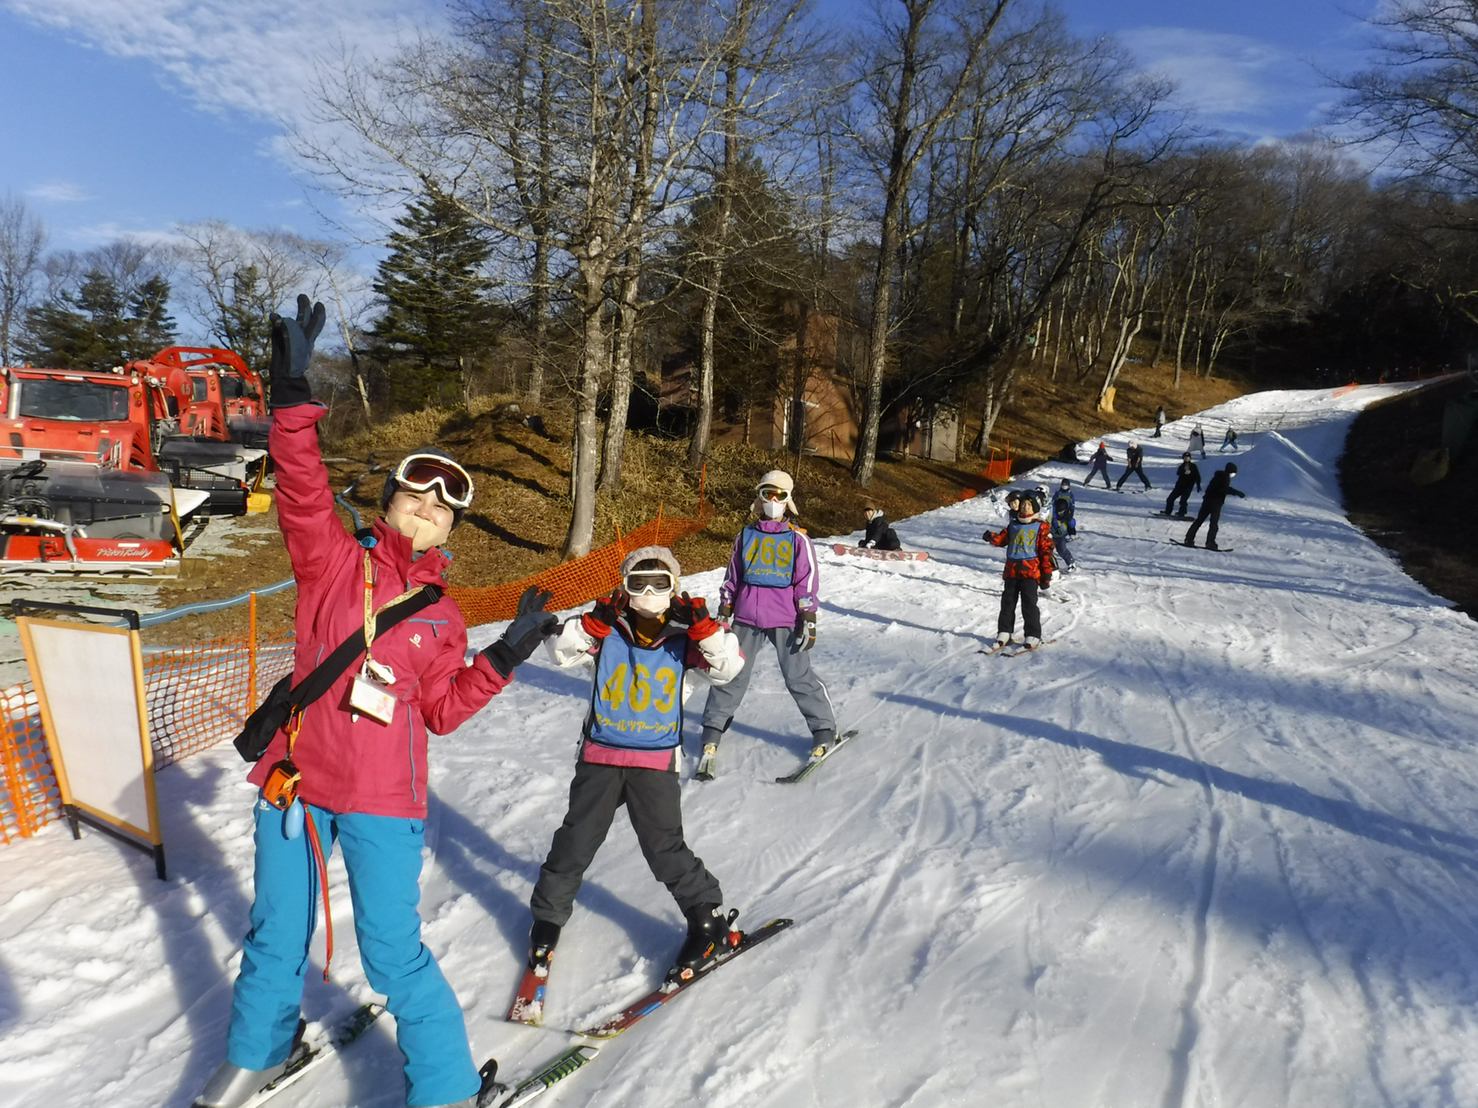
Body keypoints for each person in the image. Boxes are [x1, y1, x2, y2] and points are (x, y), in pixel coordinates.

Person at [195, 297, 557, 1108]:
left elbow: (443, 711)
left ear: (449, 526)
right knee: (274, 935)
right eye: (414, 495)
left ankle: (449, 1088)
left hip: (383, 802)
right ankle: (259, 1051)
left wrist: (505, 653)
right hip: (295, 781)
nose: (425, 510)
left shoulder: (444, 616)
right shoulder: (331, 560)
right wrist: (292, 402)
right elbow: (301, 485)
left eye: (442, 507)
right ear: (391, 498)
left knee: (393, 954)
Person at [527, 546, 745, 985]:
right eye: (638, 581)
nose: (648, 591)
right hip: (600, 759)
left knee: (664, 848)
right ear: (623, 586)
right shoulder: (605, 630)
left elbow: (727, 669)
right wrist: (591, 625)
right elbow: (561, 653)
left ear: (674, 588)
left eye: (659, 582)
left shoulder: (688, 640)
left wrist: (706, 631)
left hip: (653, 762)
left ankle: (707, 919)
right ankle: (547, 921)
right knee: (574, 843)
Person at [699, 470, 837, 769]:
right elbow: (732, 575)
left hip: (785, 618)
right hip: (747, 616)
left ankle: (823, 727)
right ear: (759, 498)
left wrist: (808, 616)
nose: (773, 501)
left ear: (789, 501)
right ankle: (713, 726)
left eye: (780, 495)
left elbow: (806, 579)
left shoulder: (797, 539)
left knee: (797, 675)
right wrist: (725, 609)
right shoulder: (745, 536)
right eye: (767, 494)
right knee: (731, 671)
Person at [983, 493, 1054, 649]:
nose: (1024, 507)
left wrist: (1047, 573)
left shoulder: (1040, 526)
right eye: (1023, 505)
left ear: (1034, 508)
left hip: (1031, 571)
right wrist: (991, 537)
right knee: (1007, 603)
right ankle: (1004, 632)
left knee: (1029, 604)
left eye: (1028, 505)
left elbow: (1046, 551)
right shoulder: (1014, 524)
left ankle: (1033, 635)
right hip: (1012, 571)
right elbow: (1003, 539)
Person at [1184, 462, 1246, 550]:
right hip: (1215, 503)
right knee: (1213, 524)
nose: (1233, 474)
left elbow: (1214, 488)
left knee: (1199, 521)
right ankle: (1210, 542)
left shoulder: (1217, 476)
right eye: (1233, 472)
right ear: (1230, 471)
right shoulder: (1225, 478)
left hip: (1207, 501)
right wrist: (1236, 493)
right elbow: (1224, 489)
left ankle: (1188, 539)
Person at [1163, 452, 1202, 517]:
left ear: (1190, 458)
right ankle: (1168, 511)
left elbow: (1197, 476)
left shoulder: (1193, 466)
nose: (1186, 458)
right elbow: (1178, 473)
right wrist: (1183, 471)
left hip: (1188, 487)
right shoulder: (1181, 466)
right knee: (1170, 499)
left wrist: (1198, 485)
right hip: (1179, 486)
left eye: (1188, 457)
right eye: (1185, 457)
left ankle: (1182, 513)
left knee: (1183, 500)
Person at [1050, 480, 1076, 571]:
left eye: (1066, 485)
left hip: (1060, 534)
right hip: (1052, 534)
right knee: (1047, 551)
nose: (1064, 486)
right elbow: (1052, 503)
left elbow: (1072, 505)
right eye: (1063, 485)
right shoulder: (1057, 494)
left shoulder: (1070, 494)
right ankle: (1051, 567)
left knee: (1062, 550)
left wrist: (1069, 513)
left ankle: (1071, 563)